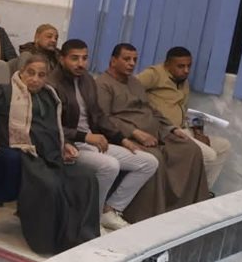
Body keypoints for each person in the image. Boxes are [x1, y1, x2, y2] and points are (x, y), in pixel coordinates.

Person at [0, 54, 101, 252]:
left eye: (41, 75)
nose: (35, 79)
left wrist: (65, 144)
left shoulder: (50, 96)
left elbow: (53, 128)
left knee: (86, 178)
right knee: (49, 185)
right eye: (30, 73)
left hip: (50, 156)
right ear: (21, 72)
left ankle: (82, 237)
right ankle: (49, 243)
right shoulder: (4, 92)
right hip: (22, 153)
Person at [50, 39, 158, 231]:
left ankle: (110, 211)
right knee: (110, 166)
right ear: (61, 59)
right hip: (68, 145)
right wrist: (84, 137)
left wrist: (122, 139)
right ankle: (92, 221)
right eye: (74, 58)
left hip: (92, 142)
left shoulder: (87, 80)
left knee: (148, 162)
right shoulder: (51, 84)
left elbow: (99, 116)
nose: (81, 63)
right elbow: (51, 126)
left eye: (84, 58)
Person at [95, 43, 210, 221]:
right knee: (155, 159)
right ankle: (148, 216)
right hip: (127, 136)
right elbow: (104, 118)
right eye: (126, 59)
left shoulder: (134, 82)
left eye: (134, 60)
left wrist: (172, 128)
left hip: (157, 131)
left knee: (191, 150)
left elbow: (151, 110)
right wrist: (135, 132)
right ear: (113, 60)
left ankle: (184, 209)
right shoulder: (103, 84)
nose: (132, 63)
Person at [138, 46, 231, 190]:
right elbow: (129, 88)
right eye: (181, 66)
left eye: (189, 66)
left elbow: (185, 109)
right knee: (208, 156)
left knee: (224, 146)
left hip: (184, 129)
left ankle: (204, 193)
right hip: (166, 132)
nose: (186, 70)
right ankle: (189, 193)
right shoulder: (154, 74)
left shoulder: (183, 81)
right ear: (167, 65)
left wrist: (199, 133)